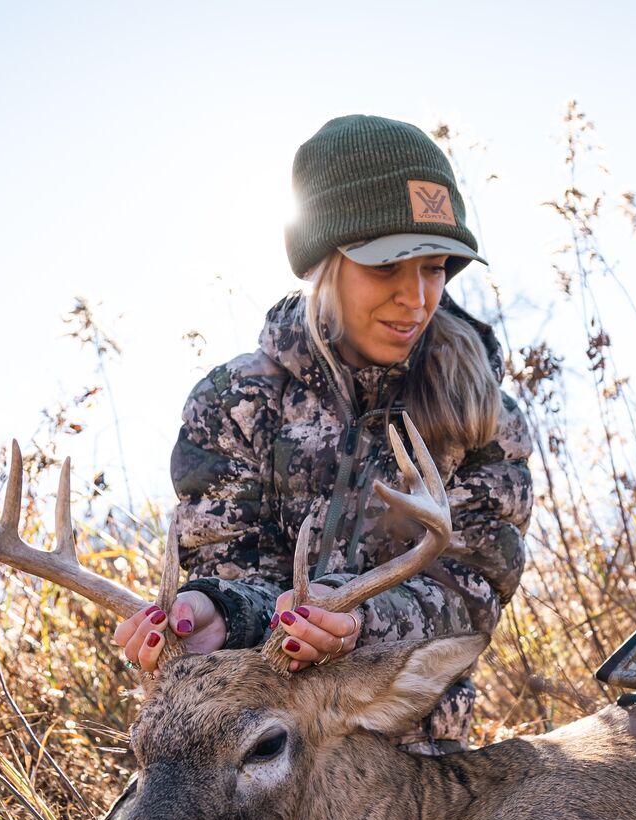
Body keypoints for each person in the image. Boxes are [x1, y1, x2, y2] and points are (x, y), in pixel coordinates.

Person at [111, 115, 532, 751]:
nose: (416, 299)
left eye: (436, 266)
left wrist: (358, 622)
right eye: (388, 268)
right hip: (254, 748)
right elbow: (234, 565)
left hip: (411, 758)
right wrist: (215, 616)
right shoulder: (235, 402)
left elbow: (471, 594)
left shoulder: (482, 415)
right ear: (324, 263)